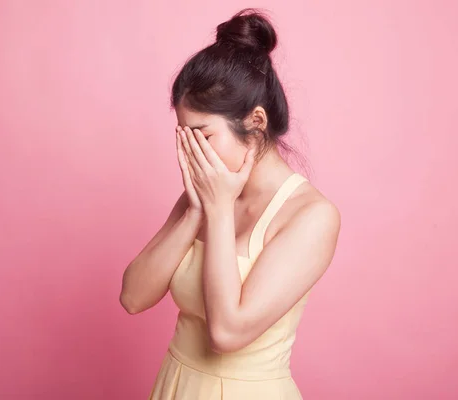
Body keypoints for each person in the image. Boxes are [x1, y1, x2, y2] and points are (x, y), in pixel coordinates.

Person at [120, 8, 341, 399]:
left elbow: (227, 332)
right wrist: (195, 211)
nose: (191, 154)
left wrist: (219, 211)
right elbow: (133, 297)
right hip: (176, 384)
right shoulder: (203, 194)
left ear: (256, 124)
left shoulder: (311, 216)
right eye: (183, 137)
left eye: (203, 137)